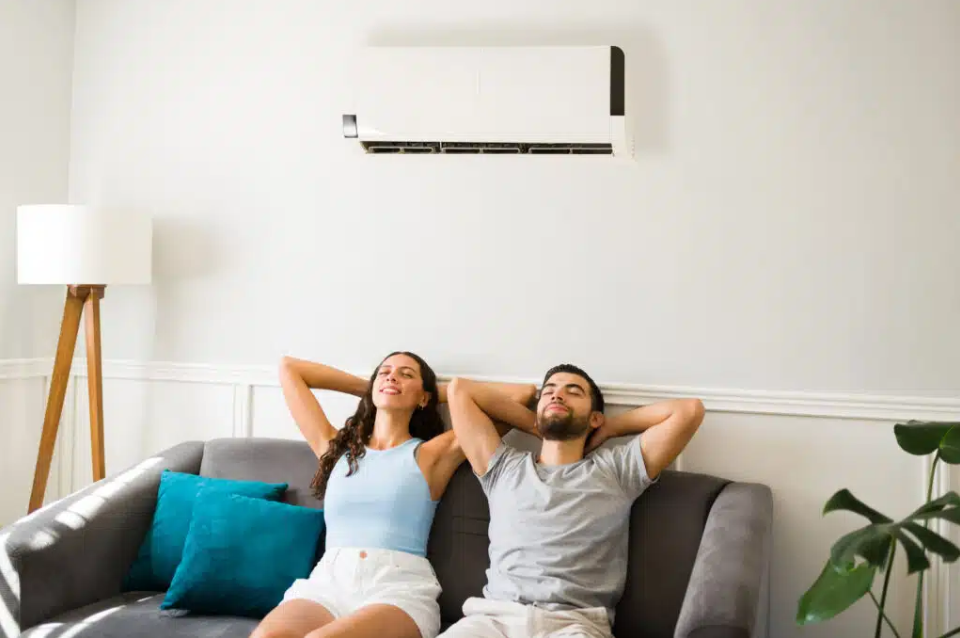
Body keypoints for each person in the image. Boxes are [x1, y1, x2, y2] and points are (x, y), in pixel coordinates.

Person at [251, 352, 537, 638]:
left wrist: (429, 393)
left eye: (406, 374)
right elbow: (290, 368)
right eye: (385, 372)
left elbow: (522, 395)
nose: (392, 376)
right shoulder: (336, 449)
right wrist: (371, 387)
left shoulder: (431, 455)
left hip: (396, 589)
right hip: (327, 584)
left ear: (425, 399)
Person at [441, 363, 705, 638]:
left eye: (573, 391)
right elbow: (460, 390)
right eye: (549, 392)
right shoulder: (502, 468)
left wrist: (610, 428)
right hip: (494, 621)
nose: (557, 395)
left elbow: (689, 411)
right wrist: (538, 424)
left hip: (571, 626)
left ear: (594, 418)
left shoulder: (616, 472)